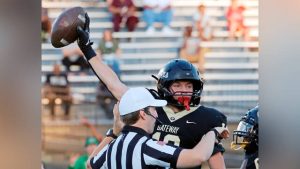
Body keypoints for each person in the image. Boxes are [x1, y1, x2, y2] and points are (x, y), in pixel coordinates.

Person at [76, 13, 229, 169]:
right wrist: (88, 50)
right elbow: (113, 83)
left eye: (189, 86)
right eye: (178, 85)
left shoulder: (207, 117)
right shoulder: (151, 104)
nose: (184, 91)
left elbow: (216, 163)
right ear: (165, 86)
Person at [89, 87, 229, 169]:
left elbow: (90, 164)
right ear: (143, 114)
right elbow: (198, 157)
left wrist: (114, 132)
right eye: (154, 109)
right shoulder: (148, 146)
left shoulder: (113, 147)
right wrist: (213, 132)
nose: (157, 113)